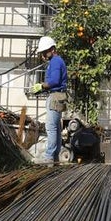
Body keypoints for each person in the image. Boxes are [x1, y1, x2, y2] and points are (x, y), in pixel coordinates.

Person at [33, 35, 67, 163]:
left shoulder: (56, 61)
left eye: (45, 52)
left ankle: (49, 157)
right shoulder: (56, 61)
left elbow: (54, 81)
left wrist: (41, 85)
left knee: (51, 128)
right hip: (58, 95)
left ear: (52, 49)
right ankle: (55, 156)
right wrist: (42, 88)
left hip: (55, 97)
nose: (43, 55)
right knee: (56, 128)